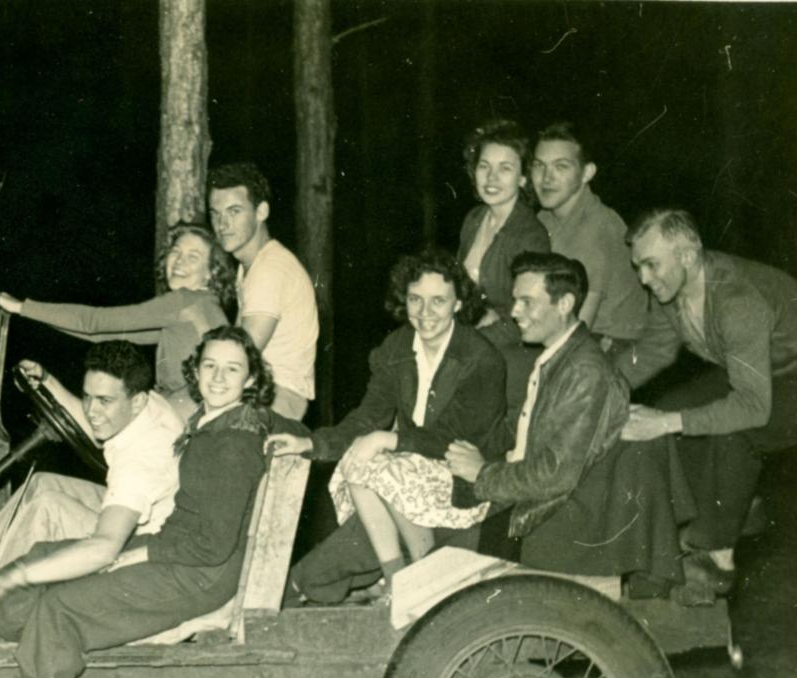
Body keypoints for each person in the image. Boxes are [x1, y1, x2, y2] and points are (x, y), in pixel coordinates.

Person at [0, 326, 301, 678]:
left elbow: (212, 544)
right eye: (209, 366)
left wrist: (143, 553)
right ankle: (31, 649)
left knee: (63, 604)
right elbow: (285, 426)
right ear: (196, 370)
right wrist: (305, 437)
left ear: (249, 379)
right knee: (46, 557)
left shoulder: (229, 444)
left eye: (232, 370)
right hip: (182, 552)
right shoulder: (220, 418)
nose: (218, 379)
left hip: (197, 573)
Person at [447, 252, 690, 595]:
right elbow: (524, 433)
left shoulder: (584, 371)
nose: (514, 311)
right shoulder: (561, 356)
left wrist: (482, 474)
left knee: (428, 552)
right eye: (515, 300)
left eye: (527, 302)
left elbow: (556, 474)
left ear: (564, 304)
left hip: (551, 524)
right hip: (534, 503)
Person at [269, 250, 506, 598]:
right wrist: (311, 444)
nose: (425, 313)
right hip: (416, 467)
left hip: (463, 474)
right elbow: (367, 417)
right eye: (415, 300)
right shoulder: (395, 349)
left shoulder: (481, 357)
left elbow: (458, 440)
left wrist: (389, 440)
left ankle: (426, 572)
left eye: (438, 301)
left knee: (380, 464)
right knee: (358, 461)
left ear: (458, 303)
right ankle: (396, 576)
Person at [617, 209, 797, 596]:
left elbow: (752, 406)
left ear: (687, 255)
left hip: (790, 380)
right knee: (671, 407)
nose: (643, 279)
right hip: (761, 371)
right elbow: (652, 352)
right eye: (638, 267)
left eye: (651, 265)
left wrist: (666, 423)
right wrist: (596, 387)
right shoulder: (672, 291)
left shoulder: (737, 301)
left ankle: (717, 556)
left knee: (737, 430)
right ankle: (730, 511)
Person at [0, 341, 182, 579]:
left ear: (137, 401)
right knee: (43, 483)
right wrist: (47, 380)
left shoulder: (141, 461)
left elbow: (106, 546)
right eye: (87, 397)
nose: (91, 410)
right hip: (142, 512)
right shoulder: (143, 401)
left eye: (104, 401)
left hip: (139, 542)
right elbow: (96, 426)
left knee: (48, 507)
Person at [0, 223, 232, 422]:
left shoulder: (183, 301)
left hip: (185, 417)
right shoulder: (205, 306)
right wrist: (28, 314)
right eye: (176, 252)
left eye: (193, 257)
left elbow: (94, 322)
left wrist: (21, 306)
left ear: (211, 272)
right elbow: (98, 335)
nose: (179, 262)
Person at [207, 162, 318, 420]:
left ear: (261, 211)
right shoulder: (252, 266)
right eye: (215, 213)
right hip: (261, 393)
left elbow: (238, 355)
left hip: (275, 400)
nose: (222, 224)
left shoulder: (270, 269)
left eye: (234, 211)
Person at [530, 122, 653, 355]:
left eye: (561, 167)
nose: (546, 178)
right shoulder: (545, 217)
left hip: (614, 344)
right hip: (575, 328)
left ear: (587, 173)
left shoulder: (597, 228)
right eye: (539, 165)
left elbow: (577, 329)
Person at [457, 119, 551, 413]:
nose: (491, 178)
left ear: (523, 178)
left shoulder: (530, 234)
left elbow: (530, 318)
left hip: (513, 350)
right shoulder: (474, 219)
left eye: (505, 168)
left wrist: (467, 341)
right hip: (473, 338)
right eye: (484, 166)